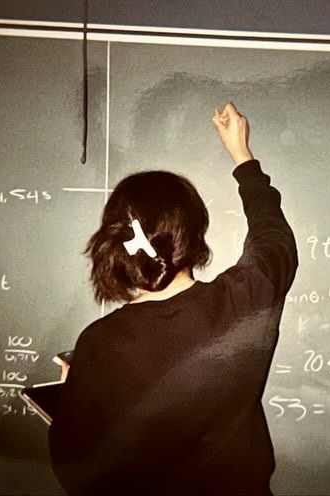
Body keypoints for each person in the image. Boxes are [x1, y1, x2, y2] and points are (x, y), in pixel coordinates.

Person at [48, 102, 298, 495]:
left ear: (117, 244)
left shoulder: (98, 346)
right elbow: (274, 238)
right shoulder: (242, 301)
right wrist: (242, 156)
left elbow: (76, 472)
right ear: (194, 235)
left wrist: (69, 402)